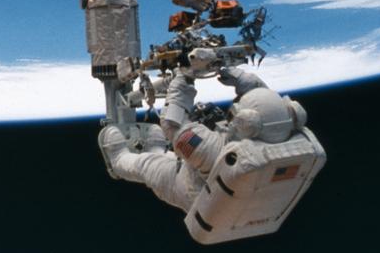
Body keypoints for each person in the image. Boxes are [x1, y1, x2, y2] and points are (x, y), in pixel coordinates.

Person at [99, 50, 319, 221]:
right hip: (241, 195)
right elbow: (264, 101)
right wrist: (237, 75)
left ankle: (118, 161)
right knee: (165, 153)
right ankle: (157, 150)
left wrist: (183, 79)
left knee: (149, 165)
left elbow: (172, 125)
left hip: (190, 190)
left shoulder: (216, 151)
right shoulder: (285, 128)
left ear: (244, 121)